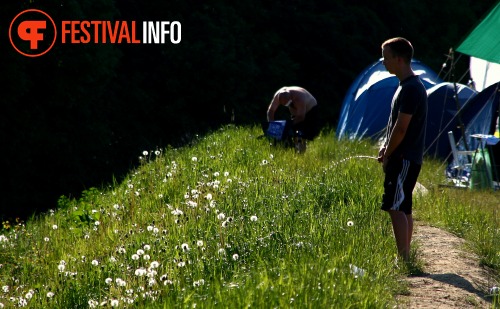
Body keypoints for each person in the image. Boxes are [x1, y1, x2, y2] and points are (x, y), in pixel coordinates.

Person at [377, 37, 428, 263]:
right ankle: (406, 256)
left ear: (399, 59)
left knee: (395, 207)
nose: (383, 62)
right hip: (405, 157)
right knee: (403, 206)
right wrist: (385, 146)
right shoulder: (406, 87)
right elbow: (394, 128)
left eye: (386, 57)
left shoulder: (411, 90)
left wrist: (388, 153)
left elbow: (401, 128)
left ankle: (404, 258)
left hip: (403, 158)